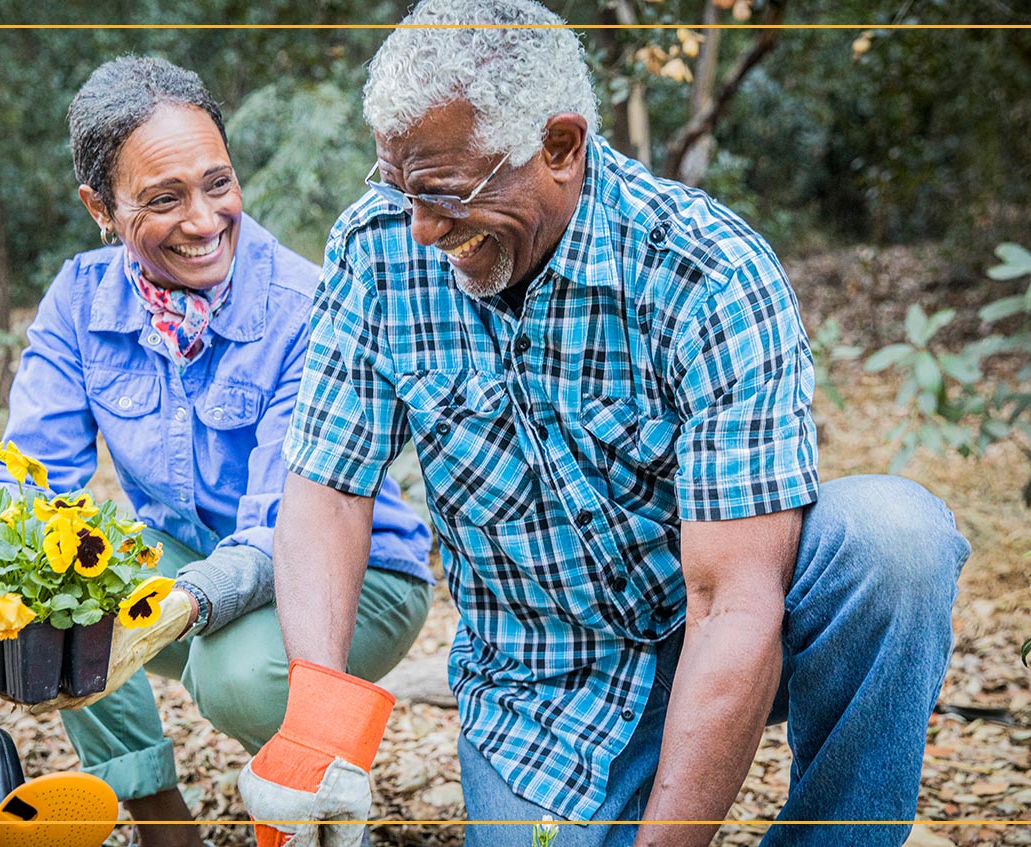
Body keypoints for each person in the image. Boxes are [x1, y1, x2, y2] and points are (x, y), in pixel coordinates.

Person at [238, 2, 972, 846]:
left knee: (896, 539)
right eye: (400, 187)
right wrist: (318, 725)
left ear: (560, 146)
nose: (423, 229)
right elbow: (327, 488)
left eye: (443, 193)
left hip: (724, 625)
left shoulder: (706, 273)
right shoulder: (376, 252)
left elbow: (732, 602)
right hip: (537, 682)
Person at [0, 55, 434, 847]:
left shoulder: (305, 307)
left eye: (219, 183)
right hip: (198, 557)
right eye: (164, 199)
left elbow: (288, 524)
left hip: (354, 573)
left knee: (231, 672)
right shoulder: (79, 298)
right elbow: (27, 477)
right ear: (100, 207)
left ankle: (320, 817)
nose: (204, 221)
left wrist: (188, 600)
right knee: (60, 582)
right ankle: (166, 830)